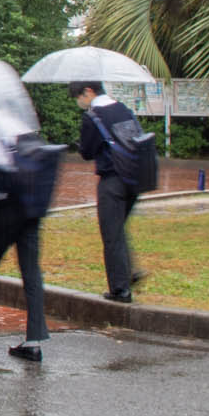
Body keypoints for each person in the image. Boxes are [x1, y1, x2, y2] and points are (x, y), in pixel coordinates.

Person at [0, 96, 52, 363]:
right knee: (31, 273)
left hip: (6, 210)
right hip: (32, 208)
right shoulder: (23, 127)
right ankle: (34, 340)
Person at [73, 79, 147, 302]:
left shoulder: (93, 116)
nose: (78, 102)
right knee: (118, 228)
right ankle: (129, 273)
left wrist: (81, 145)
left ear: (88, 91)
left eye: (78, 97)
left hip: (112, 180)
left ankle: (120, 290)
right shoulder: (123, 108)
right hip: (134, 177)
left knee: (111, 234)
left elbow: (87, 152)